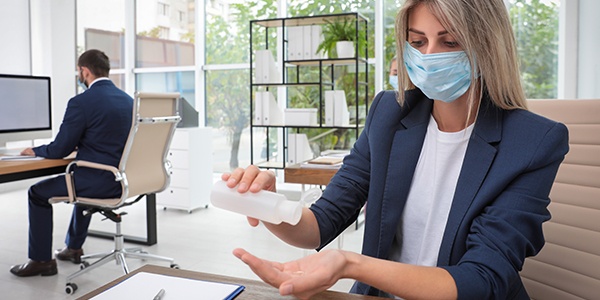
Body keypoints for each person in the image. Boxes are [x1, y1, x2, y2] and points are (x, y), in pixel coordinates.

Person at [223, 0, 569, 299]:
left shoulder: (534, 142)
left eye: (450, 42)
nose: (429, 56)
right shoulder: (389, 113)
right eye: (418, 42)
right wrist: (270, 205)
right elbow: (322, 222)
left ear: (487, 46)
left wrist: (350, 264)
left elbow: (482, 279)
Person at [10, 49, 133, 277]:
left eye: (79, 71)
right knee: (78, 180)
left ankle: (41, 260)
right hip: (124, 179)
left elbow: (60, 149)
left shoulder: (81, 102)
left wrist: (34, 150)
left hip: (98, 181)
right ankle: (73, 248)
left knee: (37, 193)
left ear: (84, 71)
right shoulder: (129, 101)